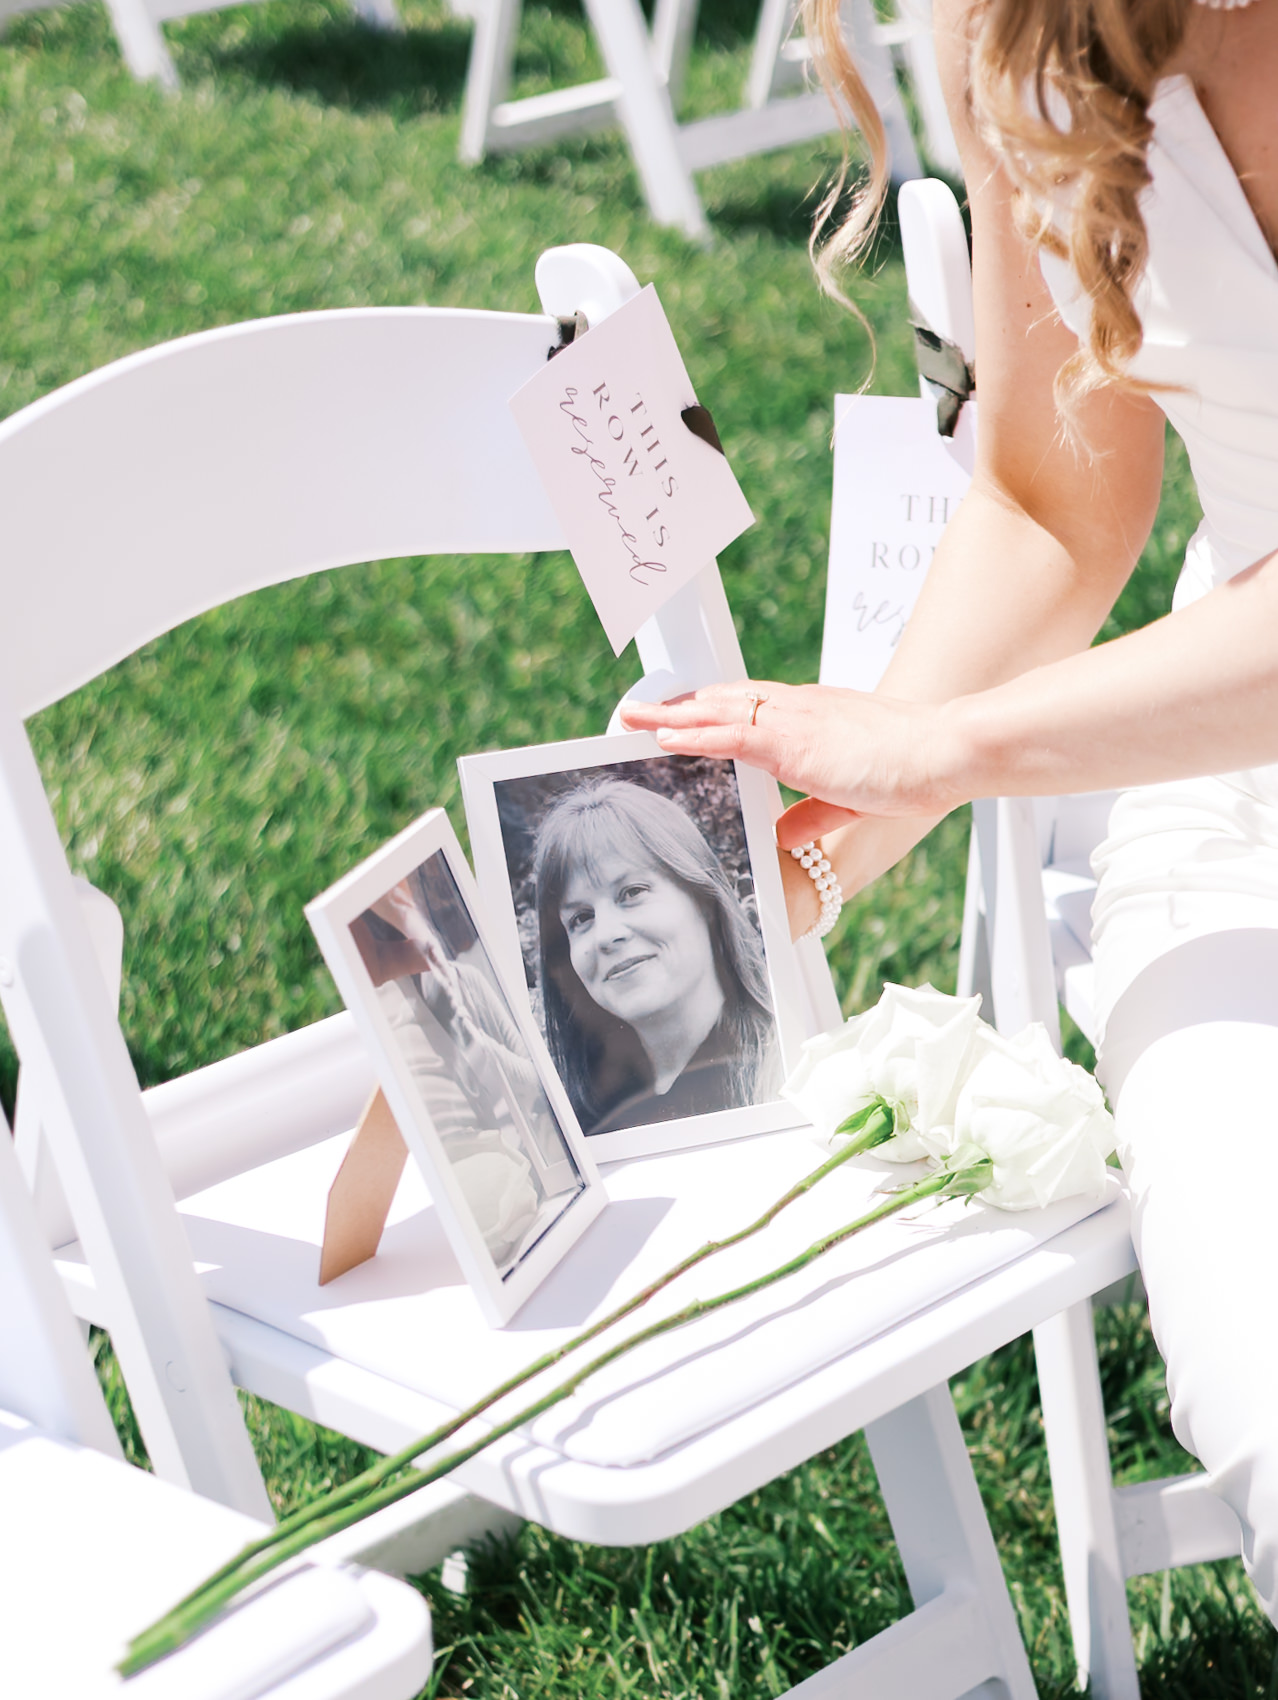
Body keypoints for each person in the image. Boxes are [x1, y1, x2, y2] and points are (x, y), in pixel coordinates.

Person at [621, 0, 1278, 1626]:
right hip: (1240, 815)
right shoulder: (1010, 20)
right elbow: (1054, 495)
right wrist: (815, 837)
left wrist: (950, 748)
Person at [531, 778, 779, 1135]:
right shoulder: (570, 1122)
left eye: (632, 892)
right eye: (581, 918)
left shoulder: (787, 1073)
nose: (607, 934)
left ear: (704, 899)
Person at [353, 876, 579, 1266]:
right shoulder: (390, 1016)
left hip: (531, 1168)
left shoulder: (466, 984)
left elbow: (536, 1081)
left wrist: (470, 1034)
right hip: (462, 1176)